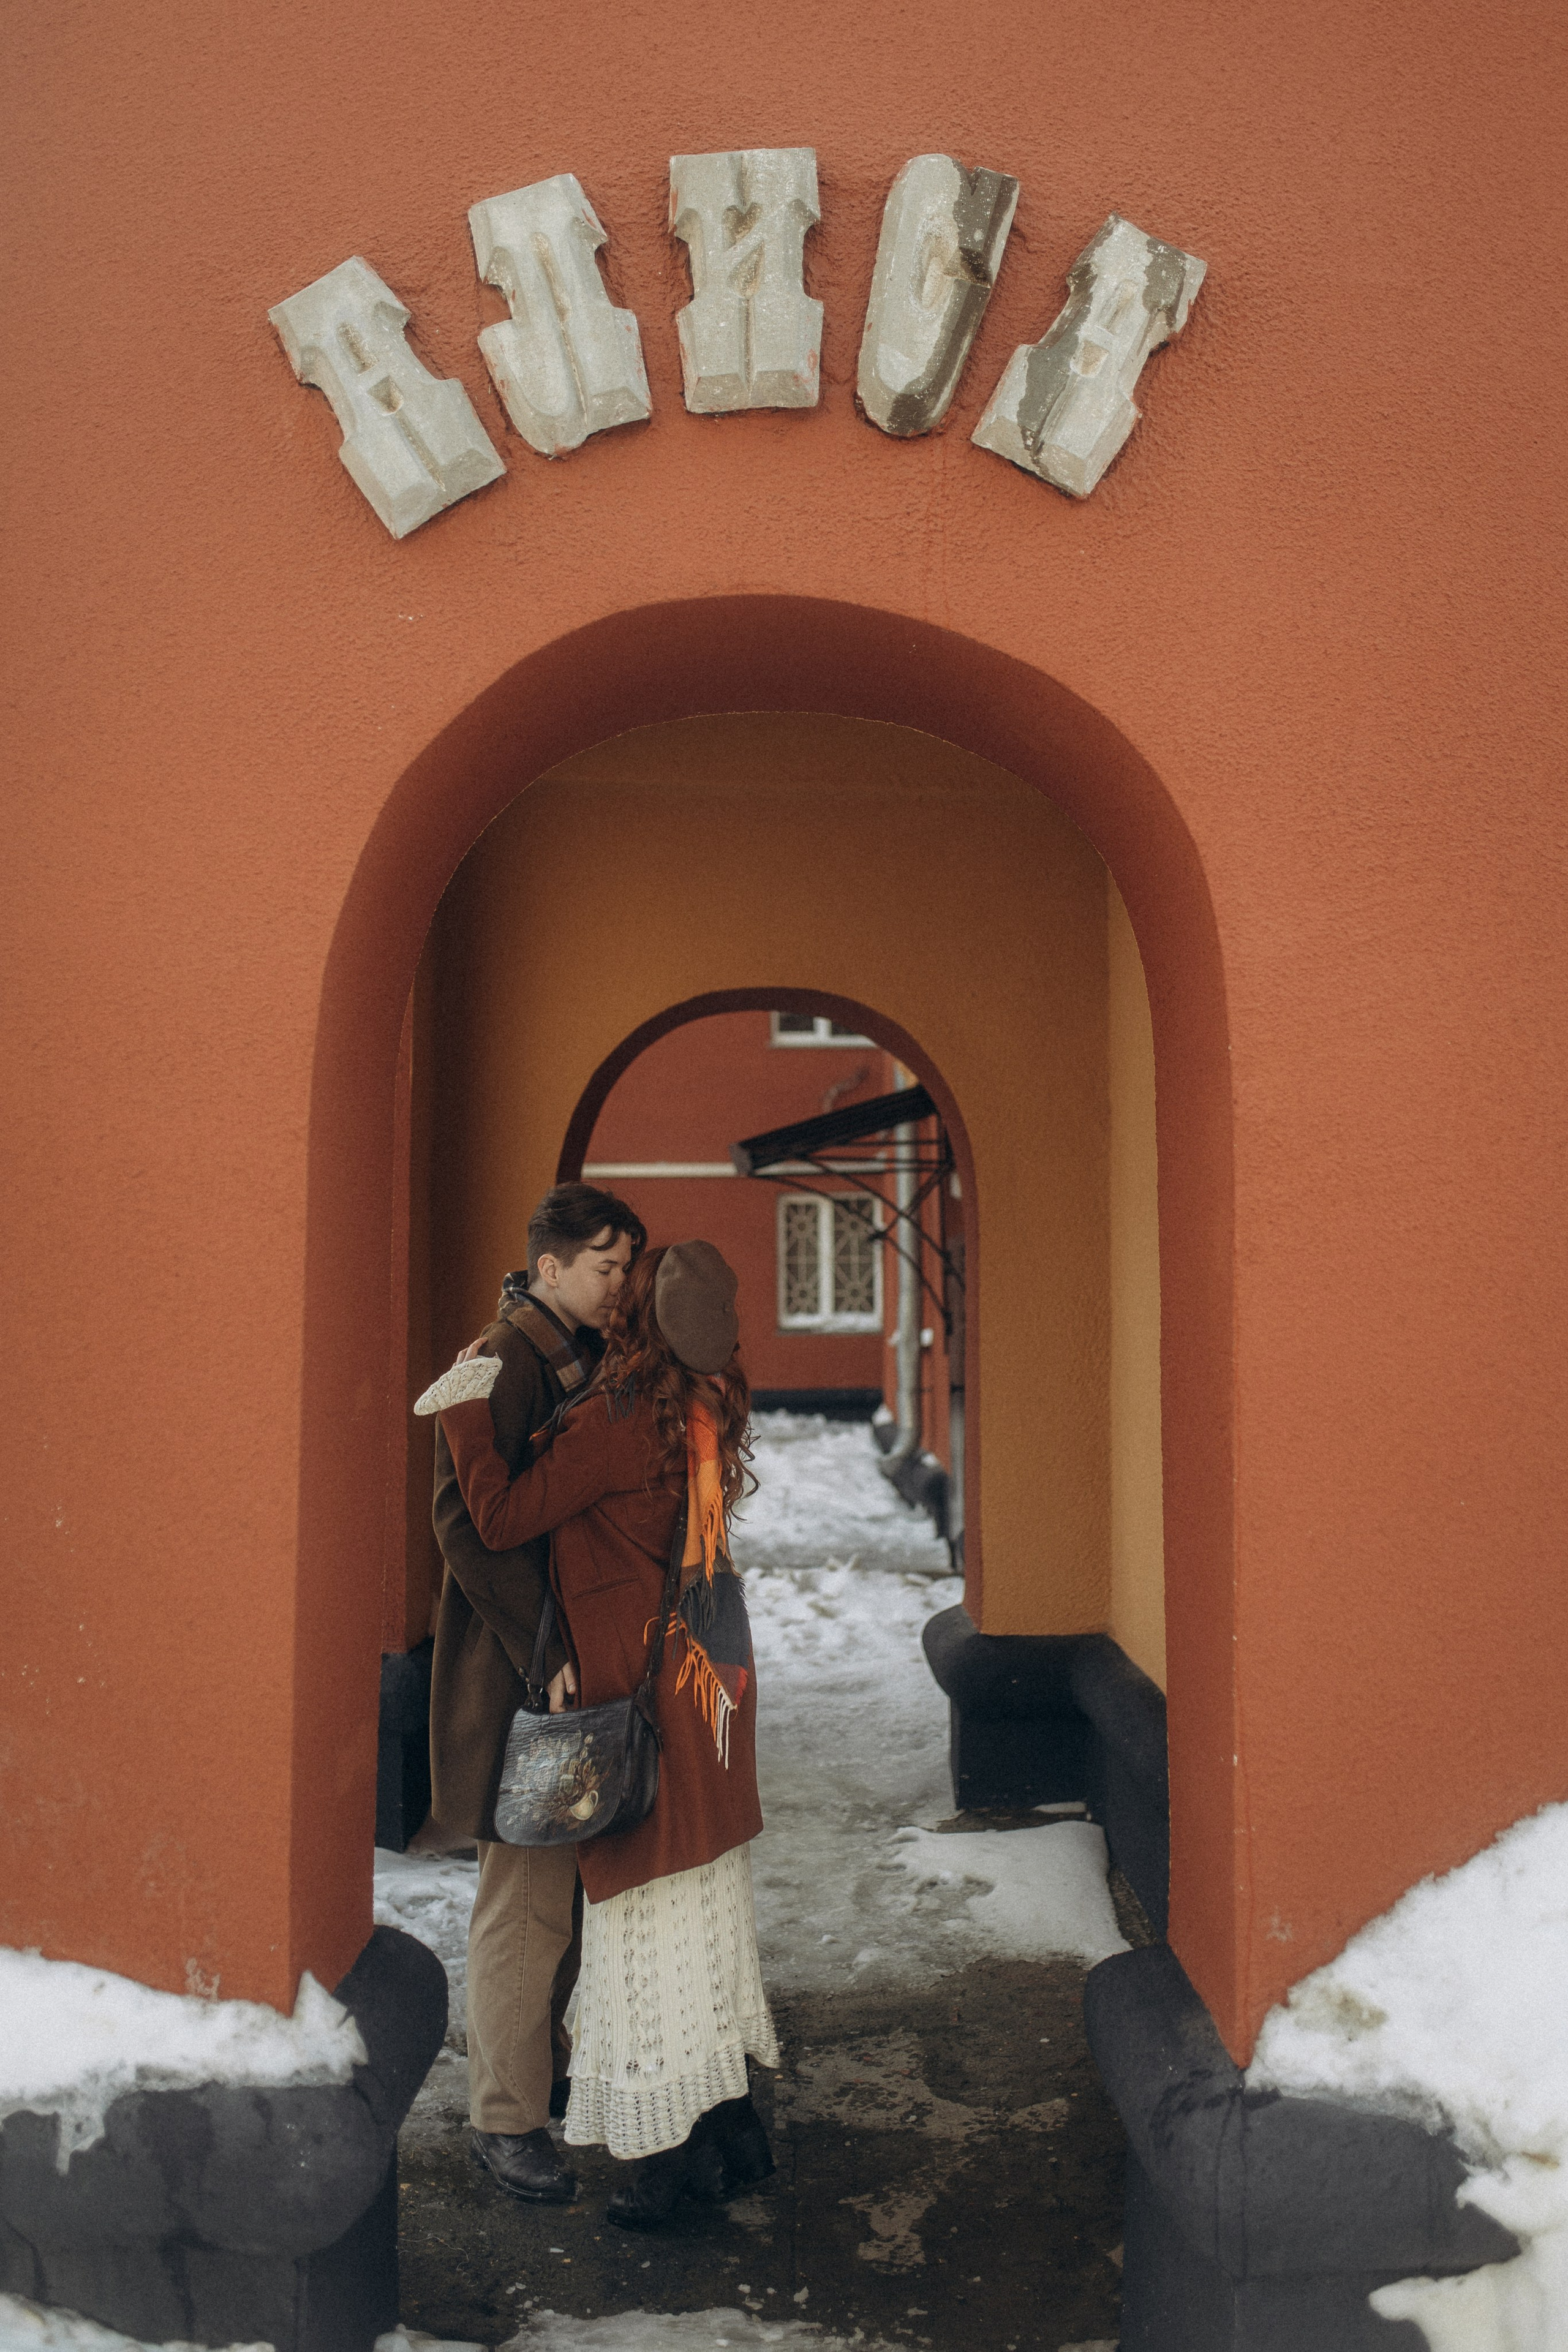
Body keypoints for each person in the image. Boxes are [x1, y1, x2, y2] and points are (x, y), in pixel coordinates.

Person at [430, 1239, 779, 2229]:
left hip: (645, 1707)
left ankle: (671, 2164)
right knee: (702, 1918)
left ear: (637, 1322)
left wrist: (462, 1400)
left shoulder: (619, 1421)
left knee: (644, 1934)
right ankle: (733, 2134)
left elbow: (495, 1518)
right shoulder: (706, 1406)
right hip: (712, 1697)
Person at [426, 1182, 646, 2206]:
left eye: (627, 1265)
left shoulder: (570, 1351)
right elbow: (467, 1525)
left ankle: (537, 2081)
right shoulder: (499, 1360)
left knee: (558, 1895)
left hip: (564, 1663)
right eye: (606, 1264)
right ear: (550, 1266)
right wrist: (542, 1645)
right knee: (523, 1905)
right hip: (521, 1672)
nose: (620, 1284)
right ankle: (505, 2121)